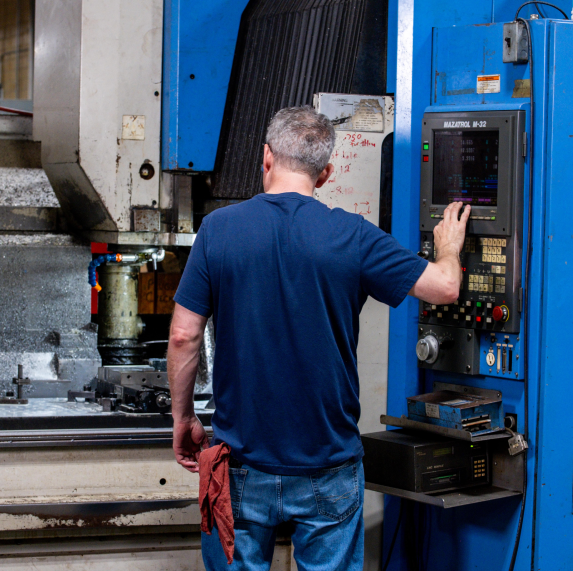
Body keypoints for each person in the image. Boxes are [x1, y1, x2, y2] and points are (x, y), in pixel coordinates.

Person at [167, 106, 469, 570]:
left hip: (241, 464)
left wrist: (184, 418)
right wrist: (448, 246)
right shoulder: (353, 236)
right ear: (325, 173)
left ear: (265, 157)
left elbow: (184, 337)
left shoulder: (219, 231)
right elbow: (446, 288)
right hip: (328, 465)